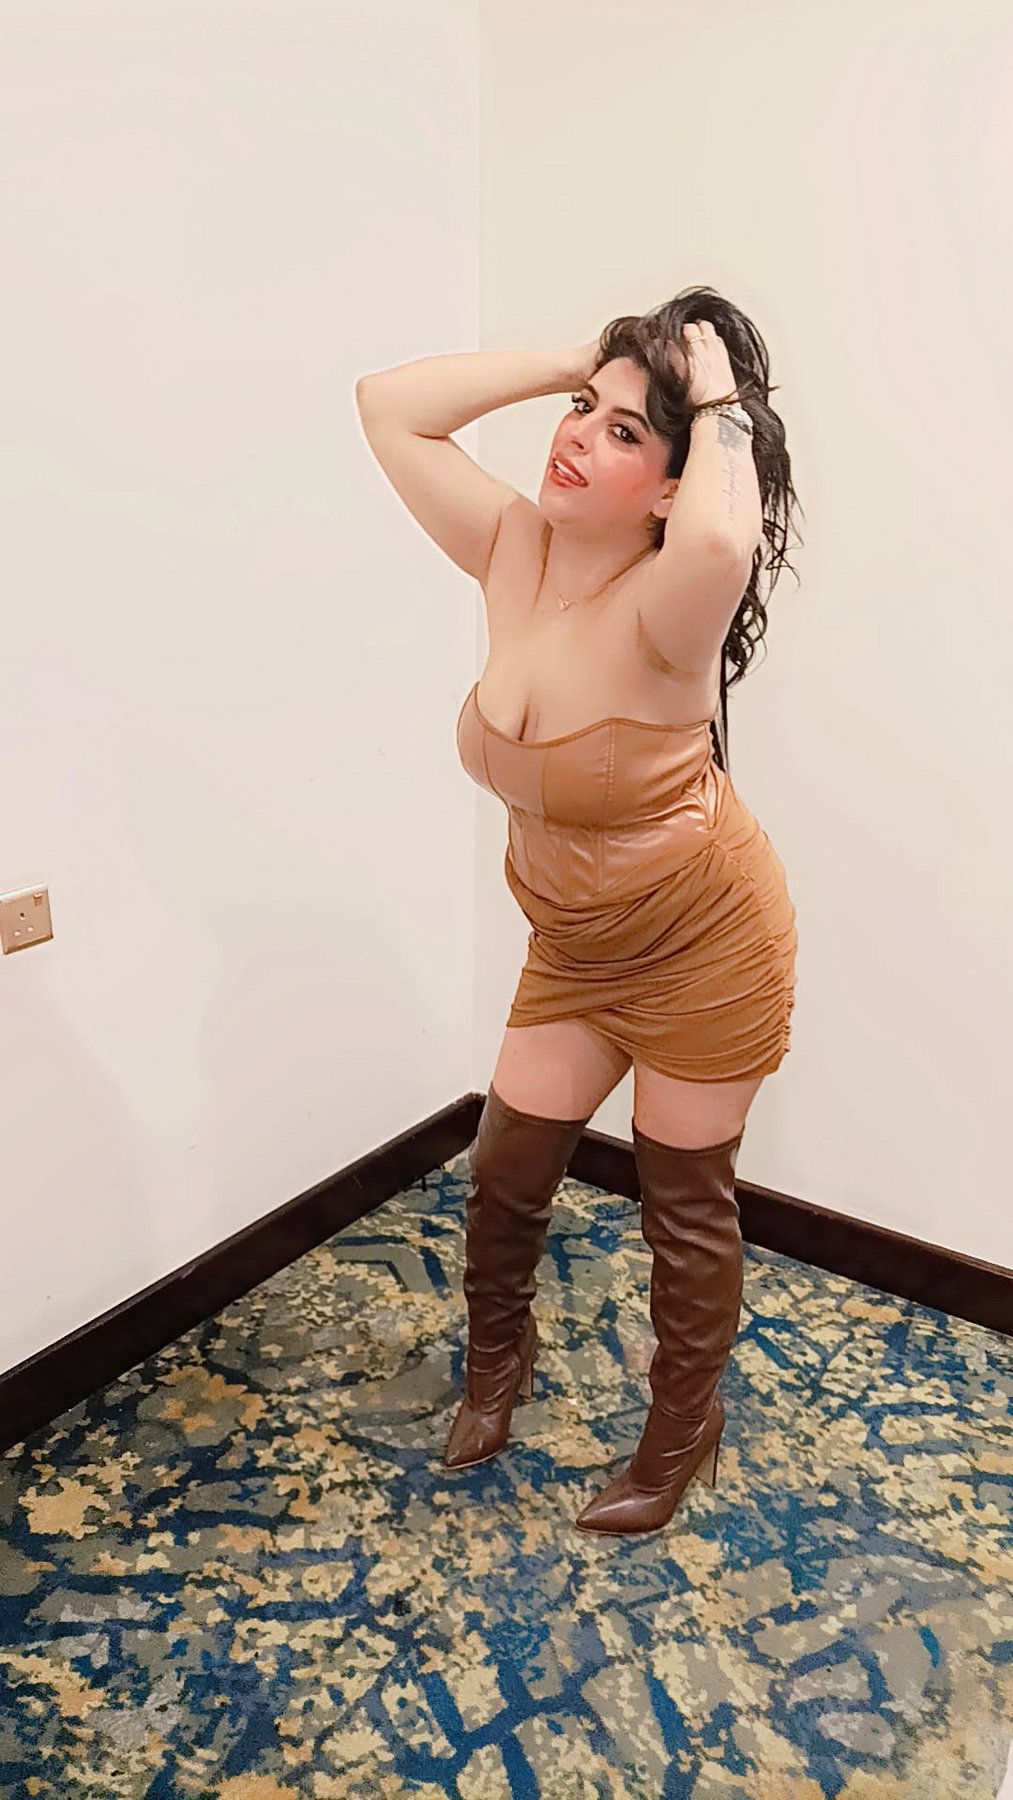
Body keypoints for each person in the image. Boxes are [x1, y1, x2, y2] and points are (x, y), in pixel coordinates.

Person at [355, 287, 802, 1536]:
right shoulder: (513, 549)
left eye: (621, 433)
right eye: (579, 413)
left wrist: (718, 400)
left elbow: (719, 545)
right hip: (575, 944)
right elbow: (388, 408)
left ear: (670, 488)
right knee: (505, 1172)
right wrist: (585, 358)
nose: (574, 437)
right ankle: (495, 1369)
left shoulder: (670, 608)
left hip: (704, 945)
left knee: (681, 1203)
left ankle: (680, 1430)